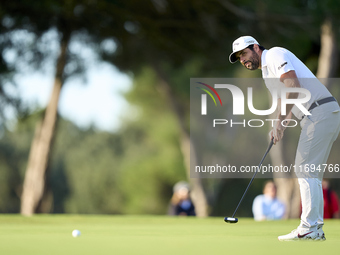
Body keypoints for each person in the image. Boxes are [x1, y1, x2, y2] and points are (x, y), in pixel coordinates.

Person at [229, 36, 340, 241]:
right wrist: (278, 126)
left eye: (244, 53)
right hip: (320, 114)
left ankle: (309, 227)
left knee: (305, 169)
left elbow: (293, 86)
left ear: (255, 47)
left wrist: (280, 121)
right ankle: (314, 228)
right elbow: (285, 100)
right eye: (239, 58)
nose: (243, 60)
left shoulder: (275, 54)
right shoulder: (266, 73)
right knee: (310, 172)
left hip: (319, 112)